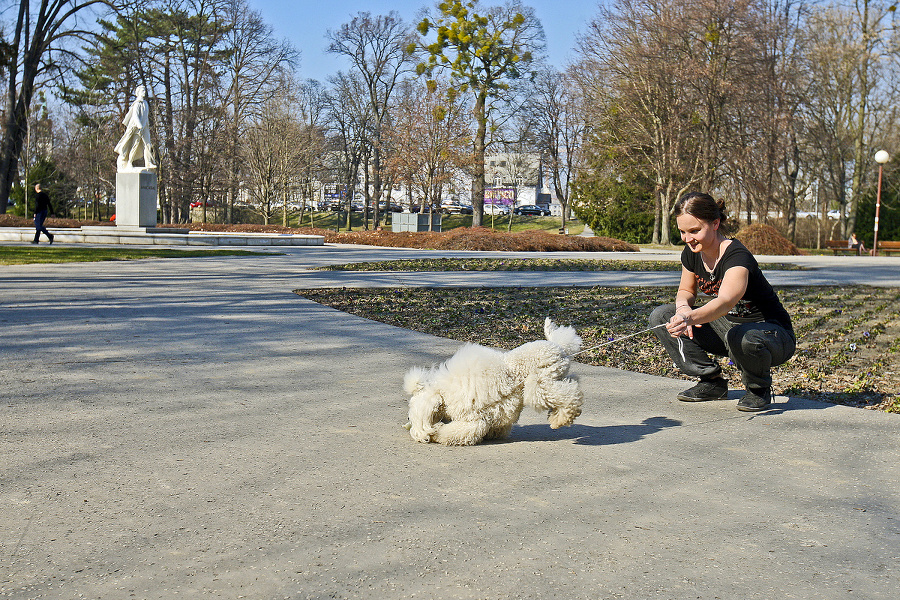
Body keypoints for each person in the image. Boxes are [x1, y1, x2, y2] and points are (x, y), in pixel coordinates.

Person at [649, 192, 795, 412]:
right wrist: (682, 310)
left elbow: (726, 302)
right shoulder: (691, 253)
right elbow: (686, 290)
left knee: (740, 335)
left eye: (695, 231)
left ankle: (758, 389)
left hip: (772, 336)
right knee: (661, 316)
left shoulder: (737, 256)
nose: (688, 239)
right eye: (682, 231)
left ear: (715, 223)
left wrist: (690, 318)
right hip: (730, 331)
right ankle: (711, 382)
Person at [114, 85, 156, 171]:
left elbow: (146, 116)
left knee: (148, 145)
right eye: (142, 91)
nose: (144, 92)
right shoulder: (137, 104)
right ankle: (129, 162)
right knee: (135, 145)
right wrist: (140, 126)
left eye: (145, 90)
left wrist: (145, 127)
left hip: (145, 128)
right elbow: (135, 116)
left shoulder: (145, 103)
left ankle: (148, 162)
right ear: (138, 93)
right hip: (137, 128)